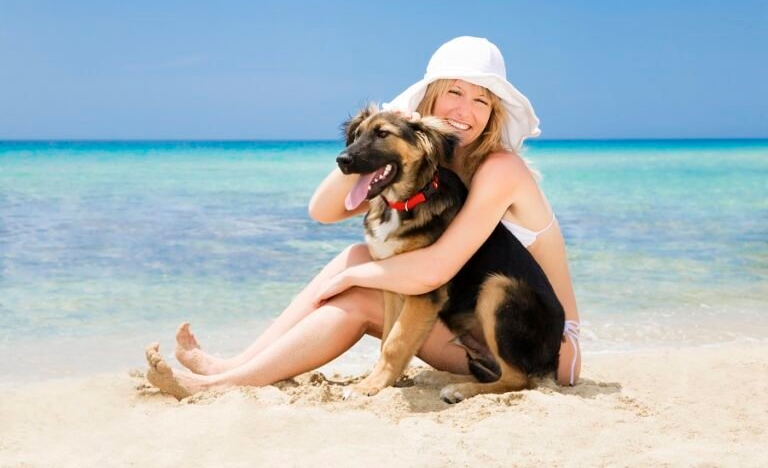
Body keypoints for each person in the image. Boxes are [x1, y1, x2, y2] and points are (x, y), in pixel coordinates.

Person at [144, 36, 581, 399]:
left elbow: (434, 270)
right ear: (429, 98)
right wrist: (374, 133)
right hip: (468, 330)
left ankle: (222, 385)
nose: (465, 110)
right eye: (454, 92)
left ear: (492, 115)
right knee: (358, 254)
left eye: (481, 100)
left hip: (542, 347)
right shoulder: (428, 168)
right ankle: (236, 366)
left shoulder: (501, 169)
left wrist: (352, 279)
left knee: (356, 288)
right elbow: (323, 209)